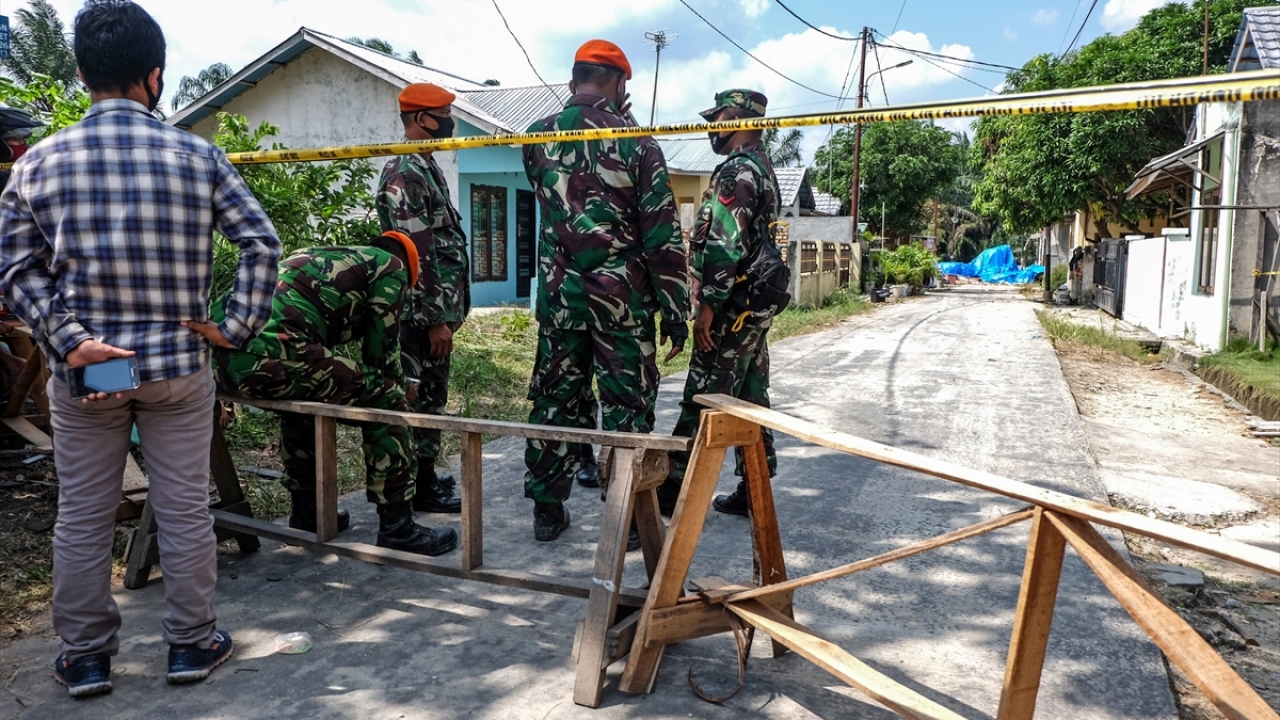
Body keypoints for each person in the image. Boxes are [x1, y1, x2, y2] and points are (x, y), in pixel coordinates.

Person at [0, 0, 281, 696]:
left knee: (84, 515)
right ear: (154, 76)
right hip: (177, 367)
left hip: (89, 371)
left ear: (80, 73)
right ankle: (190, 645)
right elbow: (261, 243)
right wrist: (234, 325)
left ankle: (86, 657)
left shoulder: (38, 162)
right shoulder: (197, 154)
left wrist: (68, 340)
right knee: (185, 510)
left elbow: (14, 269)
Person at [521, 39, 689, 541]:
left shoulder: (536, 136)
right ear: (619, 84)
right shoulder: (639, 144)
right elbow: (661, 235)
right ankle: (631, 520)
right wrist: (676, 310)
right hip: (622, 304)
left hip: (561, 299)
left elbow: (554, 206)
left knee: (554, 401)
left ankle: (547, 510)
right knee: (626, 407)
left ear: (574, 81)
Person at [211, 231, 458, 558]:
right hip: (270, 356)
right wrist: (401, 384)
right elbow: (379, 354)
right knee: (386, 397)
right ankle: (398, 528)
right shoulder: (392, 266)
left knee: (304, 402)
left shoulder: (320, 254)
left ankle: (308, 513)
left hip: (216, 360)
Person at [660, 89, 781, 517]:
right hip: (754, 305)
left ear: (741, 119)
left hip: (731, 307)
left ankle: (672, 489)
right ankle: (756, 488)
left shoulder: (736, 173)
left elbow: (725, 246)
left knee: (704, 396)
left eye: (720, 117)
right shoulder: (764, 168)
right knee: (749, 396)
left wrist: (706, 307)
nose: (713, 126)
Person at [376, 83, 469, 515]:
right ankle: (413, 490)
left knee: (432, 398)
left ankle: (425, 478)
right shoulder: (406, 173)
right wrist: (436, 318)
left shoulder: (425, 167)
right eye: (444, 113)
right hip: (418, 318)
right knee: (416, 399)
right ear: (420, 120)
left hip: (432, 313)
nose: (450, 121)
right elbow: (419, 252)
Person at [0, 106, 44, 190]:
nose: (23, 144)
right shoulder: (7, 180)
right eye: (16, 140)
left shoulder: (24, 171)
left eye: (23, 140)